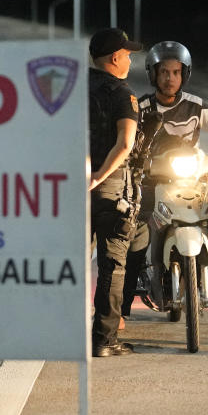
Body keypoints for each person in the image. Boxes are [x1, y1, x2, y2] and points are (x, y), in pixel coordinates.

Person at [120, 41, 208, 324]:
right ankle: (123, 301)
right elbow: (125, 141)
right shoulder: (140, 107)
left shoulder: (196, 106)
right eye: (164, 72)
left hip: (191, 182)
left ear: (184, 74)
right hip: (152, 184)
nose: (170, 78)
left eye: (176, 72)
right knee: (134, 229)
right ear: (153, 74)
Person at [87, 28, 144, 357]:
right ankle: (104, 340)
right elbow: (125, 144)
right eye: (128, 55)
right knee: (112, 265)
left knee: (73, 263)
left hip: (71, 184)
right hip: (108, 187)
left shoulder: (72, 87)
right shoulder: (122, 93)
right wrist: (99, 176)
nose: (129, 60)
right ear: (114, 57)